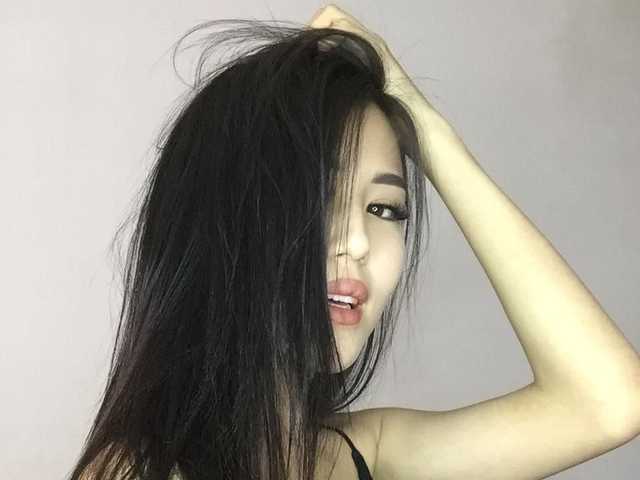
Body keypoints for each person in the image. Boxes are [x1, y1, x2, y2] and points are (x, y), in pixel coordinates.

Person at [68, 4, 640, 480]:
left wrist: (426, 128)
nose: (360, 243)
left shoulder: (370, 454)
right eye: (321, 197)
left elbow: (606, 402)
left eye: (384, 208)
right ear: (223, 222)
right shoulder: (135, 472)